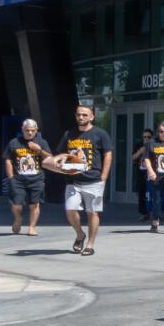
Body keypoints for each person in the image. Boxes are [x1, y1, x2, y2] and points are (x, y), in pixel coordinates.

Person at [51, 105, 114, 257]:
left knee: (92, 213)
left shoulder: (100, 134)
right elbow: (60, 153)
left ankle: (90, 244)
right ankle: (80, 234)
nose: (81, 117)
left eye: (84, 115)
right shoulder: (69, 134)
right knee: (70, 210)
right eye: (79, 115)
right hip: (73, 180)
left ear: (91, 116)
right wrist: (59, 164)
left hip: (93, 180)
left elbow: (108, 154)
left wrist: (104, 176)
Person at [4, 119, 51, 236]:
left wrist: (39, 150)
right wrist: (10, 177)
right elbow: (8, 160)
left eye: (32, 130)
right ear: (22, 130)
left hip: (36, 179)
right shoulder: (14, 142)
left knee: (34, 204)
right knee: (16, 204)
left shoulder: (41, 142)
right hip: (18, 179)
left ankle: (32, 227)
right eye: (27, 130)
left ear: (36, 130)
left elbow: (50, 158)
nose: (29, 133)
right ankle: (18, 218)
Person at [130, 129, 154, 221]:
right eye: (145, 137)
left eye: (148, 137)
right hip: (141, 171)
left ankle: (154, 213)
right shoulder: (139, 145)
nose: (146, 138)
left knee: (153, 192)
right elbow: (133, 157)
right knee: (142, 192)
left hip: (152, 172)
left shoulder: (154, 145)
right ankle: (144, 213)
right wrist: (140, 151)